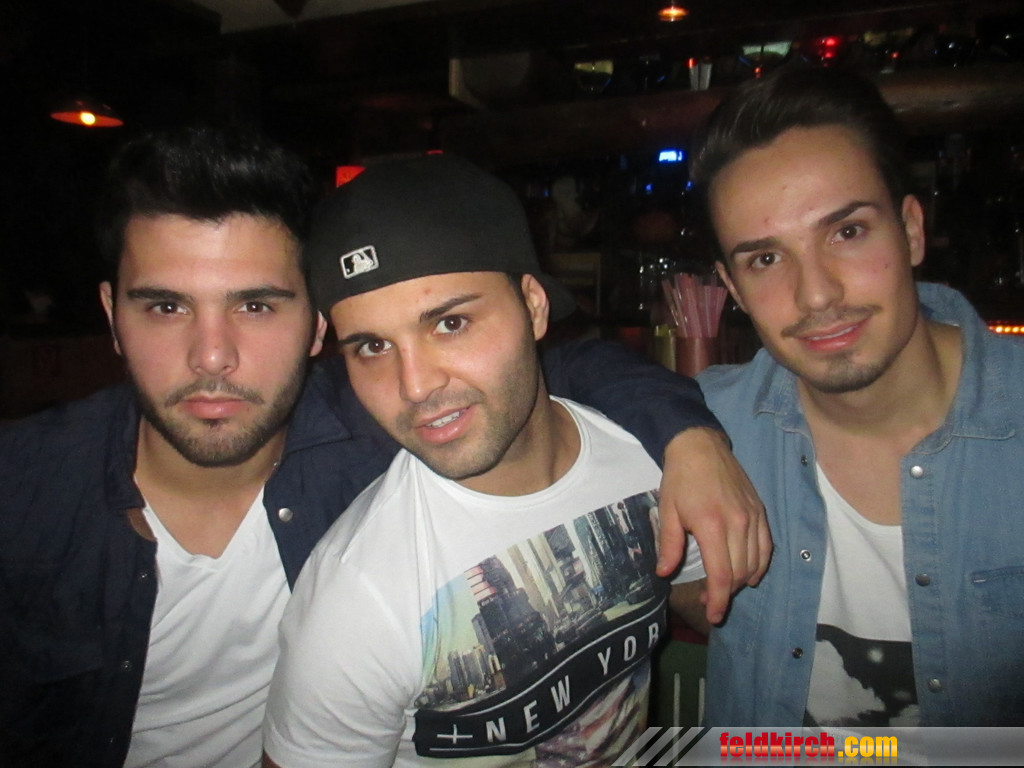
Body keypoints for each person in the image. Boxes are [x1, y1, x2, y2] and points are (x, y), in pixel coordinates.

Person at [0, 126, 766, 768]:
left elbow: (553, 374)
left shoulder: (379, 410)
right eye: (166, 307)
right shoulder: (22, 497)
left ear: (314, 328)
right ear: (112, 314)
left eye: (256, 306)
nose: (212, 357)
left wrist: (689, 437)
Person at [262, 154, 710, 767]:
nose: (415, 385)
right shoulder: (354, 605)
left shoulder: (655, 462)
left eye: (450, 323)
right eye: (372, 346)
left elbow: (710, 599)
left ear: (533, 306)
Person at [684, 65, 1024, 726]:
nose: (817, 294)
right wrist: (682, 436)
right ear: (732, 287)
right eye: (765, 259)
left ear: (912, 230)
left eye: (847, 232)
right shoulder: (708, 423)